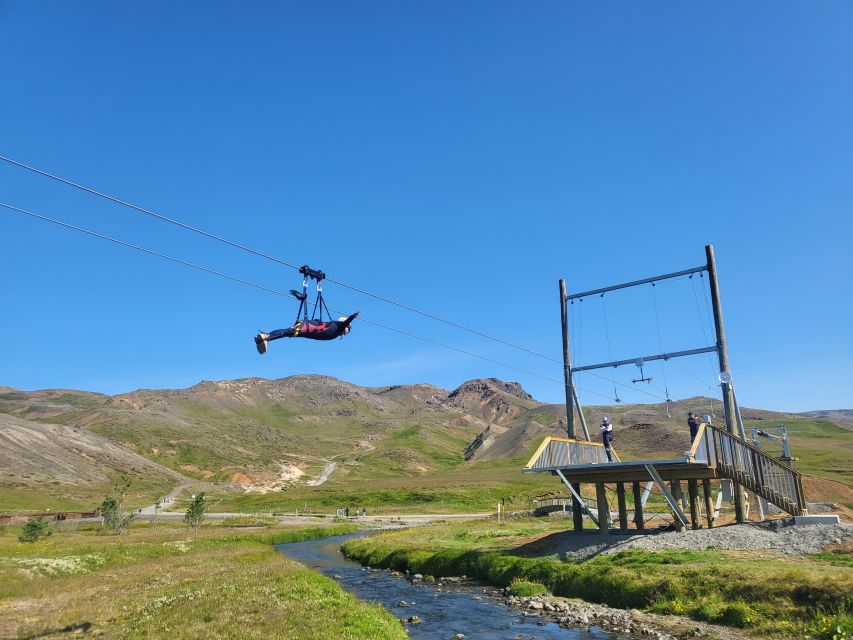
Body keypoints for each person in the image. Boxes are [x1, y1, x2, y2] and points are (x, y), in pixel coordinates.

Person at [254, 311, 360, 354]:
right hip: (311, 327)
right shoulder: (339, 326)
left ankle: (266, 338)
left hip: (310, 330)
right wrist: (353, 317)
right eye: (348, 329)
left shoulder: (337, 330)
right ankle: (266, 336)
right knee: (289, 331)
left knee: (289, 333)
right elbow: (346, 322)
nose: (347, 331)